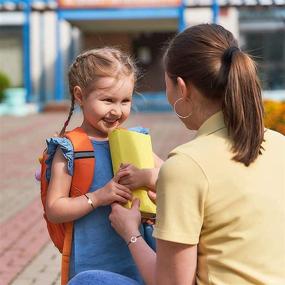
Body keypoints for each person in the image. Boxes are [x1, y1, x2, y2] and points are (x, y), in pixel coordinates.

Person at [109, 23, 285, 285]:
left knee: (89, 279)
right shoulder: (278, 143)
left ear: (182, 87)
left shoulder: (187, 165)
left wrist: (130, 233)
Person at [45, 47, 162, 284]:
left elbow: (170, 175)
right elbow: (54, 209)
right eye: (107, 100)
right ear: (80, 96)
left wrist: (147, 177)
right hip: (91, 264)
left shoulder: (134, 141)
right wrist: (98, 197)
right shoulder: (70, 149)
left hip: (138, 259)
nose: (117, 111)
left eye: (125, 101)